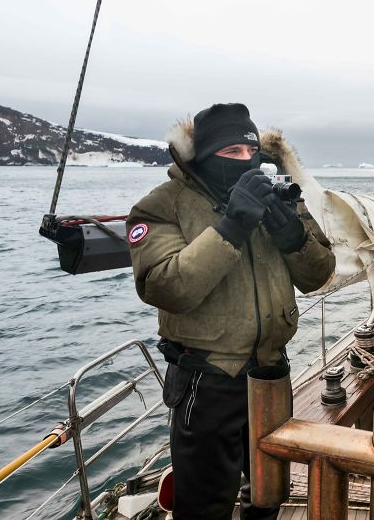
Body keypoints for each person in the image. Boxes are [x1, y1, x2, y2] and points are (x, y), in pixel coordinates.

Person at [127, 103, 335, 520]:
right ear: (202, 157)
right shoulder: (162, 206)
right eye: (231, 154)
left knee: (268, 490)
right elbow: (166, 287)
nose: (245, 162)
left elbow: (319, 275)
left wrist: (291, 234)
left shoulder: (276, 192)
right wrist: (232, 225)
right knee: (204, 503)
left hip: (271, 371)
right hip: (207, 378)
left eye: (250, 153)